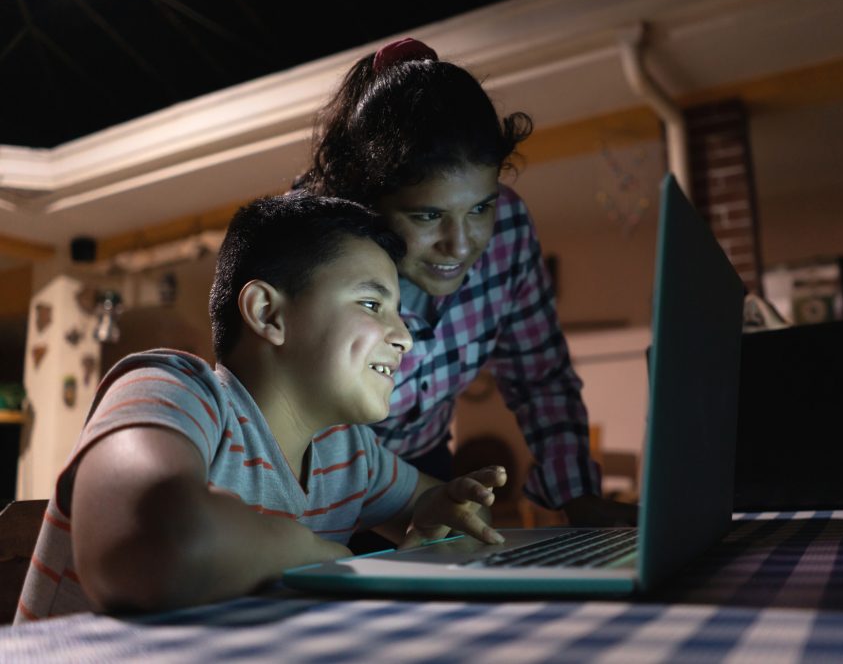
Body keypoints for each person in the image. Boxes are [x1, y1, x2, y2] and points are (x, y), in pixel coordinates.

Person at [16, 192, 506, 622]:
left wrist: (434, 519)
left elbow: (431, 505)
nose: (403, 337)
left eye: (398, 312)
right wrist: (324, 557)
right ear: (268, 314)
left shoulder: (345, 451)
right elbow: (155, 548)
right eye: (372, 305)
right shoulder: (175, 390)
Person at [304, 37, 635, 526]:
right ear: (364, 203)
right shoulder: (308, 247)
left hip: (425, 462)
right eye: (428, 216)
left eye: (480, 207)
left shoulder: (509, 232)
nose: (460, 246)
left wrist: (579, 498)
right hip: (313, 475)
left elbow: (539, 376)